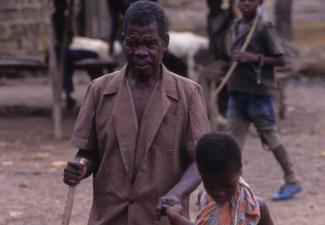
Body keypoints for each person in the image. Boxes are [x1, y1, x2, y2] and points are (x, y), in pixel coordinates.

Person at [63, 1, 210, 225]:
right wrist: (80, 167)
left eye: (150, 44)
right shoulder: (99, 90)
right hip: (109, 217)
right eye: (133, 44)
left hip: (160, 218)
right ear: (124, 42)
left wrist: (176, 194)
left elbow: (201, 161)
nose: (141, 52)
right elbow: (89, 152)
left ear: (165, 43)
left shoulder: (189, 94)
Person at [226, 0, 302, 200]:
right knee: (232, 143)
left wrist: (252, 57)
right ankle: (229, 186)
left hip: (259, 94)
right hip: (237, 92)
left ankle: (292, 179)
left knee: (271, 138)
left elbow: (280, 59)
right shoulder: (235, 26)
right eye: (241, 0)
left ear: (259, 2)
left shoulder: (263, 27)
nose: (245, 3)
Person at [162, 132, 274, 225]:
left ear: (240, 170)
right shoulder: (204, 198)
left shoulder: (257, 208)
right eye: (211, 186)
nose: (219, 193)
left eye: (227, 186)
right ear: (201, 175)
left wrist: (176, 218)